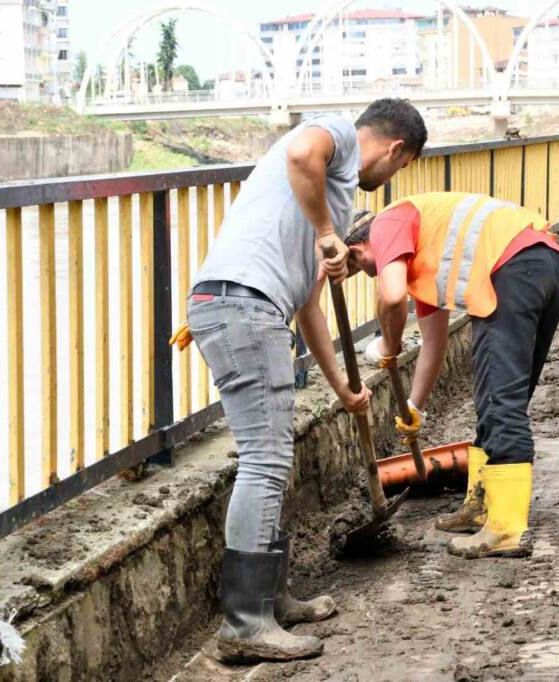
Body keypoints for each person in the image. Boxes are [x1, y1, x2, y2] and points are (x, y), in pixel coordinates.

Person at [184, 99, 427, 663]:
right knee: (264, 460)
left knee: (273, 458)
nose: (389, 178)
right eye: (400, 166)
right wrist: (324, 231)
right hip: (241, 304)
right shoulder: (339, 135)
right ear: (395, 150)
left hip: (253, 306)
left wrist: (343, 385)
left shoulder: (332, 196)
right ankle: (244, 625)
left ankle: (270, 599)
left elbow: (310, 305)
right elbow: (300, 149)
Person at [343, 192, 559, 560]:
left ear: (356, 248)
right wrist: (415, 407)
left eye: (361, 268)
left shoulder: (387, 222)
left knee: (501, 401)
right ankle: (482, 507)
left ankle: (507, 530)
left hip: (514, 269)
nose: (369, 273)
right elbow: (434, 346)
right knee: (498, 394)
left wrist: (388, 345)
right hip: (545, 265)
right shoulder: (424, 254)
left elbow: (392, 296)